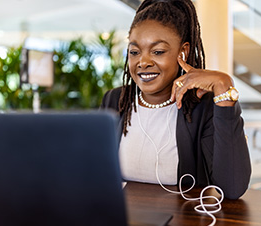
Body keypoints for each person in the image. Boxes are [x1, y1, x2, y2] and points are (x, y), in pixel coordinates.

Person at [100, 0, 251, 199]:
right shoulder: (116, 101)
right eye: (134, 52)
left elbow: (232, 188)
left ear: (183, 52)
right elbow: (96, 175)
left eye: (158, 51)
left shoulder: (202, 107)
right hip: (122, 224)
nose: (143, 62)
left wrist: (224, 88)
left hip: (182, 223)